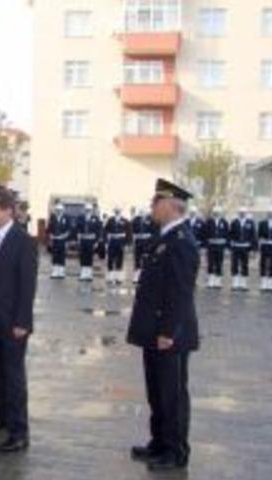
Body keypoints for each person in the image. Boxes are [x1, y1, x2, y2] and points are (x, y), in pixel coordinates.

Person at [127, 179, 199, 473]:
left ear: (171, 205)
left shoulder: (181, 241)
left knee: (172, 395)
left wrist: (168, 331)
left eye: (155, 202)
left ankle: (175, 451)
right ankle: (159, 442)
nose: (151, 207)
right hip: (154, 331)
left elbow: (180, 292)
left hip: (169, 334)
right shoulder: (165, 237)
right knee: (156, 391)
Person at [0, 188, 38, 453]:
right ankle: (1, 417)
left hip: (13, 323)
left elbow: (27, 285)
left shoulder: (22, 240)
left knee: (13, 378)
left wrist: (22, 321)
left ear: (8, 210)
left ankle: (19, 432)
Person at [228, 207, 256, 292]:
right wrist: (229, 247)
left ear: (246, 213)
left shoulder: (250, 222)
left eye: (243, 212)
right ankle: (235, 284)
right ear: (238, 213)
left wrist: (253, 249)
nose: (242, 214)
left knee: (245, 265)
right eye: (240, 212)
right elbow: (230, 235)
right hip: (236, 247)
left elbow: (253, 236)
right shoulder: (234, 222)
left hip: (246, 247)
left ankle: (244, 284)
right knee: (235, 265)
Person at [203, 206, 229, 289]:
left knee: (219, 263)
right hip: (211, 246)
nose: (216, 214)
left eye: (218, 212)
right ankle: (210, 281)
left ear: (220, 213)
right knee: (210, 263)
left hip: (220, 246)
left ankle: (218, 282)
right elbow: (205, 234)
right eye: (215, 212)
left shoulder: (224, 222)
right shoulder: (209, 222)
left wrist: (227, 247)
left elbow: (227, 235)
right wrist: (205, 246)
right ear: (213, 213)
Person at [75, 203, 101, 282]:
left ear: (91, 210)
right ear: (84, 210)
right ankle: (83, 273)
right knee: (83, 256)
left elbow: (98, 230)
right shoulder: (80, 218)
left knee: (89, 256)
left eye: (89, 210)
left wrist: (96, 242)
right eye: (86, 210)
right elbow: (77, 228)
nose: (88, 211)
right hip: (83, 239)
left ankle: (89, 274)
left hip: (91, 240)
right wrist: (77, 238)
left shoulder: (95, 218)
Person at [104, 206, 130, 285]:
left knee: (120, 259)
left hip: (121, 241)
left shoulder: (125, 221)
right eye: (116, 210)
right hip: (112, 241)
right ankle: (110, 278)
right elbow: (105, 231)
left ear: (121, 211)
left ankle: (118, 278)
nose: (117, 211)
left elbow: (129, 233)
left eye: (118, 210)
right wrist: (106, 242)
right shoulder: (110, 220)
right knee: (110, 259)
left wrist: (127, 244)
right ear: (114, 211)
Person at [131, 207, 156, 284]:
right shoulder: (136, 219)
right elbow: (132, 229)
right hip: (138, 241)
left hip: (147, 241)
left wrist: (152, 241)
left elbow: (154, 230)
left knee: (147, 258)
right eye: (141, 212)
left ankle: (146, 276)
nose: (142, 213)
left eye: (143, 212)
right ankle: (136, 277)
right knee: (137, 259)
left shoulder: (151, 219)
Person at [47, 203, 71, 279]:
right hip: (55, 240)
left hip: (62, 240)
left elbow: (69, 229)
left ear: (63, 210)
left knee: (62, 255)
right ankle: (55, 271)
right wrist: (50, 236)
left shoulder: (66, 218)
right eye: (57, 210)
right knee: (55, 255)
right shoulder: (53, 218)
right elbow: (49, 228)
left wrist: (65, 237)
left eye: (60, 210)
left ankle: (61, 272)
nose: (58, 211)